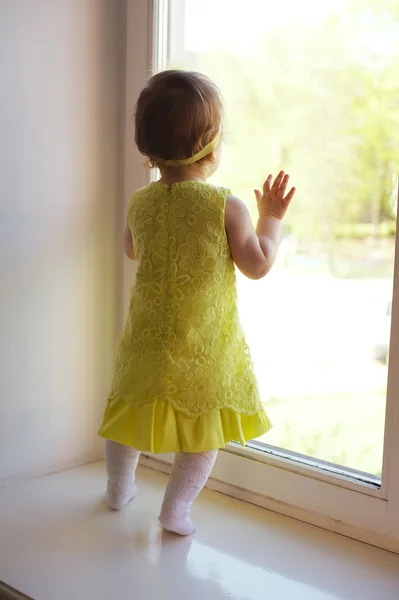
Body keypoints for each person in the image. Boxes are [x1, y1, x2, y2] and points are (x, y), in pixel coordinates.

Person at [98, 70, 295, 536]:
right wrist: (271, 218)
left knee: (126, 415)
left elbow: (132, 249)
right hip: (200, 346)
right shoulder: (225, 207)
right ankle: (175, 511)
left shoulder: (140, 202)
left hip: (145, 340)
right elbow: (257, 264)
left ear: (147, 146)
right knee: (202, 434)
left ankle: (116, 488)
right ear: (210, 144)